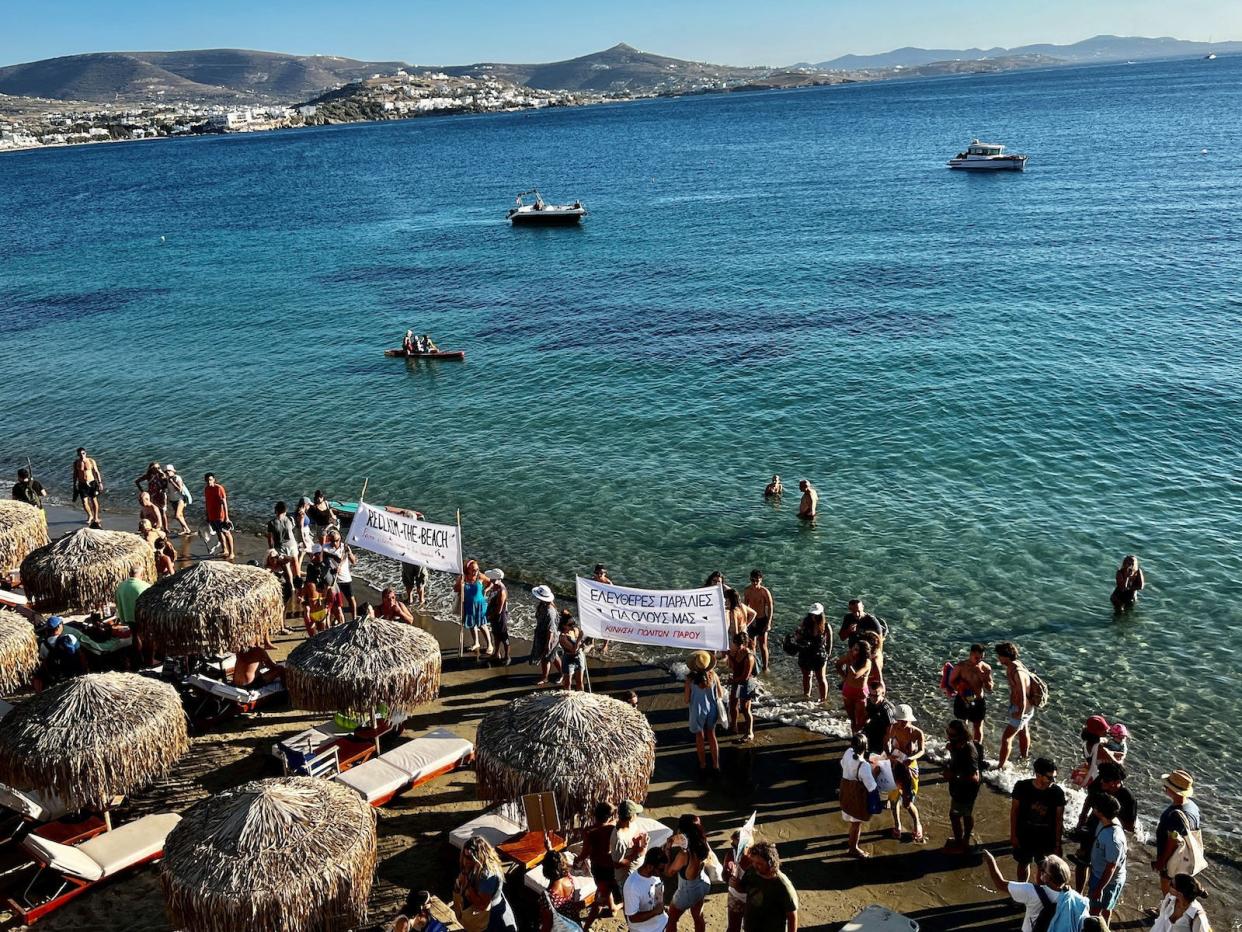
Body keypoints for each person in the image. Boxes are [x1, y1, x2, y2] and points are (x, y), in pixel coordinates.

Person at [1072, 762, 1137, 892]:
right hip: (1092, 826)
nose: (1102, 781)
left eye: (1106, 780)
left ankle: (1096, 891)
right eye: (1102, 778)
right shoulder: (1100, 781)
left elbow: (1130, 826)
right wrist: (1082, 818)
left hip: (1109, 833)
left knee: (1100, 865)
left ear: (1117, 782)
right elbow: (1089, 799)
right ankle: (1079, 893)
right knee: (1082, 861)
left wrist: (1109, 819)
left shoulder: (1128, 798)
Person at [981, 850, 1077, 932]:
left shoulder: (1032, 891)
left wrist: (990, 860)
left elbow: (1000, 884)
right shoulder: (1075, 898)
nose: (1040, 870)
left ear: (1047, 877)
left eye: (1043, 870)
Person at [1011, 758, 1066, 882]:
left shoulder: (1057, 793)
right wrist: (1013, 834)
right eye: (1049, 778)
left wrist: (1058, 844)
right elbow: (1014, 812)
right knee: (1023, 863)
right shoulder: (1022, 787)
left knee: (1044, 867)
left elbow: (1059, 819)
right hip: (1025, 833)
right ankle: (1022, 889)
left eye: (1055, 777)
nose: (1053, 781)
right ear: (1038, 775)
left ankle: (1039, 893)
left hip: (1046, 838)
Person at [1153, 770, 1202, 896]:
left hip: (1174, 858)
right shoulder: (1192, 806)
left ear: (1172, 790)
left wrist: (1161, 862)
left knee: (1168, 887)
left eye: (1166, 786)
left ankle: (1166, 911)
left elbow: (1172, 841)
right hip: (1186, 858)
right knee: (1180, 885)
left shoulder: (1175, 815)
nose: (1164, 788)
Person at [455, 835, 517, 932]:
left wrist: (468, 884)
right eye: (465, 856)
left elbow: (482, 905)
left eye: (469, 858)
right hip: (481, 918)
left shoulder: (488, 875)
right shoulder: (473, 866)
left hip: (494, 919)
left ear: (479, 857)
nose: (465, 861)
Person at [736, 841, 798, 932]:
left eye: (759, 864)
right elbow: (744, 889)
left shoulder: (783, 885)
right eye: (753, 862)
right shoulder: (752, 871)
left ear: (771, 863)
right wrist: (735, 884)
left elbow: (792, 915)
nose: (755, 866)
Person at [885, 704, 925, 843]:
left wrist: (911, 758)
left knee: (908, 802)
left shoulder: (917, 732)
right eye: (899, 720)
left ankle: (917, 823)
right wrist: (889, 754)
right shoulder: (892, 728)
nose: (902, 723)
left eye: (904, 721)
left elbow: (922, 750)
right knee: (894, 798)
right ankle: (897, 825)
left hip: (909, 766)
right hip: (895, 765)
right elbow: (886, 742)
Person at [664, 814, 710, 932]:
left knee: (671, 920)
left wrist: (668, 851)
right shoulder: (703, 842)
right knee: (698, 915)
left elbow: (669, 872)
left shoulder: (684, 855)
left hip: (687, 892)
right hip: (703, 884)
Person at [1087, 794, 1127, 923]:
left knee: (1098, 910)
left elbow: (1111, 867)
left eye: (1095, 807)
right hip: (1098, 874)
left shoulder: (1113, 839)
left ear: (1099, 811)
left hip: (1108, 881)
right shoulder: (1106, 822)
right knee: (1096, 907)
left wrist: (1099, 889)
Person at [944, 718, 982, 853]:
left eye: (952, 734)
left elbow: (975, 777)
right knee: (966, 813)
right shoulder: (956, 744)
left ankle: (960, 842)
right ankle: (964, 839)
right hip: (958, 786)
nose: (949, 736)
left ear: (961, 734)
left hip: (966, 789)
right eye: (948, 732)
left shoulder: (969, 751)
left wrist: (953, 776)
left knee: (955, 815)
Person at [996, 641, 1034, 770]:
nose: (998, 658)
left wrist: (1020, 713)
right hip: (1026, 708)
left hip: (1022, 709)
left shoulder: (1017, 671)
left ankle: (1000, 768)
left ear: (1005, 656)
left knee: (1006, 738)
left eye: (999, 655)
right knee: (1023, 731)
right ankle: (1024, 758)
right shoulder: (1016, 666)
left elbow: (1022, 694)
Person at [839, 732, 877, 858]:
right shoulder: (864, 765)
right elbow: (871, 786)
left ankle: (851, 840)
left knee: (851, 819)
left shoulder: (848, 752)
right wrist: (876, 772)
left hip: (845, 790)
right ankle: (853, 848)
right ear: (865, 748)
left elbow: (842, 764)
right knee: (856, 824)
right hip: (856, 795)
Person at [685, 651, 723, 776]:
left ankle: (702, 764)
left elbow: (686, 700)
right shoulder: (713, 675)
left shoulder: (690, 679)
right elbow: (720, 694)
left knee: (700, 737)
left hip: (697, 710)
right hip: (711, 709)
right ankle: (716, 764)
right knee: (712, 735)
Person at [582, 801, 619, 928]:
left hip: (598, 868)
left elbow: (584, 853)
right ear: (609, 817)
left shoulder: (589, 831)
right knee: (606, 890)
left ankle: (586, 926)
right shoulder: (613, 827)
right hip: (611, 867)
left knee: (599, 900)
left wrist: (577, 861)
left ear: (594, 814)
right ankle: (613, 908)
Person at [949, 643, 994, 743]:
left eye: (981, 658)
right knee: (962, 726)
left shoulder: (986, 668)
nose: (979, 660)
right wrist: (960, 688)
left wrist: (982, 676)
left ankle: (978, 749)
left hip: (978, 700)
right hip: (963, 699)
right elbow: (951, 681)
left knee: (978, 726)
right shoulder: (961, 666)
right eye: (977, 657)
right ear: (971, 654)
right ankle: (963, 746)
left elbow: (990, 688)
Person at [839, 600, 885, 688]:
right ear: (850, 609)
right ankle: (846, 680)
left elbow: (880, 639)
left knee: (872, 669)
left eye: (858, 611)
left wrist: (877, 654)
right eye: (853, 611)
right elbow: (842, 637)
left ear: (863, 608)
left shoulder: (871, 620)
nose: (857, 614)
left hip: (868, 650)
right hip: (854, 650)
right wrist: (848, 631)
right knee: (841, 665)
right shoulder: (848, 618)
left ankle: (877, 686)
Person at [611, 800, 651, 894]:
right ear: (631, 817)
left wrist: (641, 840)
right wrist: (638, 853)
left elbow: (634, 835)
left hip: (637, 871)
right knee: (630, 902)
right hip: (627, 878)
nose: (637, 815)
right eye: (636, 813)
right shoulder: (619, 839)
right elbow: (617, 864)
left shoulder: (630, 824)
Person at [623, 847, 668, 932]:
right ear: (650, 867)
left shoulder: (655, 876)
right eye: (661, 869)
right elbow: (633, 918)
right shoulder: (632, 886)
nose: (663, 872)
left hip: (662, 922)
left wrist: (661, 908)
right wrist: (655, 912)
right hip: (645, 929)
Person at [792, 604, 831, 702]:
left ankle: (823, 700)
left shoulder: (826, 626)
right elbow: (797, 635)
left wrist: (827, 655)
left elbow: (829, 643)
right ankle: (806, 696)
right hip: (806, 652)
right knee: (807, 676)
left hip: (819, 654)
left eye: (816, 614)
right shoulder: (805, 623)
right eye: (812, 614)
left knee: (821, 678)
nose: (814, 616)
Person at [834, 640, 873, 732]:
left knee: (860, 719)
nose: (852, 651)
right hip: (847, 690)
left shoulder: (867, 662)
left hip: (860, 692)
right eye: (853, 648)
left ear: (862, 652)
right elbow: (838, 664)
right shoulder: (850, 657)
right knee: (852, 718)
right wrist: (844, 677)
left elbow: (856, 675)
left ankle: (861, 737)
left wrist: (850, 663)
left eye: (856, 649)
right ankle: (854, 738)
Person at [540, 850, 584, 931]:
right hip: (574, 925)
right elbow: (557, 862)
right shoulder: (571, 880)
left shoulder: (548, 896)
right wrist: (550, 849)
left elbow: (547, 924)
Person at [456, 560, 491, 656]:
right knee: (472, 624)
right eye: (473, 569)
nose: (476, 571)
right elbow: (455, 589)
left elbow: (490, 582)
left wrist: (486, 591)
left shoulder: (480, 576)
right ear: (468, 570)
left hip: (480, 605)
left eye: (477, 569)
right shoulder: (463, 577)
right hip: (468, 604)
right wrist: (460, 583)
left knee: (482, 625)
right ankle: (476, 642)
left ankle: (490, 645)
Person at [742, 570, 774, 673]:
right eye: (752, 580)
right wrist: (746, 621)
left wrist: (768, 623)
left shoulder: (764, 592)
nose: (754, 583)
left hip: (762, 619)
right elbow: (745, 607)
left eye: (757, 581)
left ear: (761, 580)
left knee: (763, 645)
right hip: (752, 620)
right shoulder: (747, 591)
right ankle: (754, 666)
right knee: (751, 645)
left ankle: (765, 667)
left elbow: (770, 607)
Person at [728, 632, 757, 742]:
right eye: (734, 643)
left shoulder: (749, 657)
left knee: (745, 708)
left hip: (745, 684)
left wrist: (733, 680)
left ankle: (749, 732)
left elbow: (745, 676)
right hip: (736, 682)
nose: (735, 645)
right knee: (733, 703)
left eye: (737, 644)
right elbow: (732, 667)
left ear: (744, 644)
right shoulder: (734, 652)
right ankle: (734, 725)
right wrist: (729, 656)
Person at [321, 529, 357, 618]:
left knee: (351, 599)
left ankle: (354, 618)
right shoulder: (326, 547)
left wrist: (348, 552)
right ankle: (331, 619)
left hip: (345, 579)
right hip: (334, 579)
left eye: (337, 541)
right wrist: (334, 559)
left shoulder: (344, 547)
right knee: (332, 601)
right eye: (332, 541)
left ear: (340, 539)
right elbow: (324, 559)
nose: (334, 543)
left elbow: (353, 562)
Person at [530, 585, 560, 685]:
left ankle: (545, 677)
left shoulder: (550, 611)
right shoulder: (543, 605)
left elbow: (551, 629)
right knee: (553, 656)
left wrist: (548, 643)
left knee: (546, 658)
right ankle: (562, 672)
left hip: (549, 637)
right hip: (542, 634)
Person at [267, 501, 300, 589]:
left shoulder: (272, 523)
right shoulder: (290, 519)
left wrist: (272, 549)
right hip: (292, 544)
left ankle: (291, 586)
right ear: (285, 511)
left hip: (281, 547)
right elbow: (292, 530)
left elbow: (270, 538)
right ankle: (299, 582)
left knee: (286, 567)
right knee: (295, 563)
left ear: (275, 510)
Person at [203, 473, 235, 560]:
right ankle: (225, 550)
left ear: (214, 479)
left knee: (226, 533)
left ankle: (231, 552)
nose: (209, 482)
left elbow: (224, 503)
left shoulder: (218, 488)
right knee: (218, 533)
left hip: (220, 516)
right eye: (207, 480)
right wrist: (207, 514)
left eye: (210, 480)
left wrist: (227, 517)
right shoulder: (206, 489)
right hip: (212, 515)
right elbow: (207, 502)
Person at [483, 569, 511, 666]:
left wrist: (490, 616)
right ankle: (496, 653)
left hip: (500, 617)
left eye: (492, 578)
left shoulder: (501, 591)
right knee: (496, 635)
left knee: (504, 637)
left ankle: (507, 656)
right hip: (494, 616)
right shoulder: (495, 586)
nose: (490, 579)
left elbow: (499, 609)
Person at [862, 684, 895, 762]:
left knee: (881, 757)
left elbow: (891, 728)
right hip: (872, 730)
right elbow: (867, 715)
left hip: (883, 734)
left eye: (876, 695)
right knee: (871, 754)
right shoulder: (869, 701)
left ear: (882, 694)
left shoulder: (887, 708)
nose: (873, 698)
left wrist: (886, 742)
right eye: (871, 695)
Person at [72, 447, 104, 528]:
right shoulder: (76, 463)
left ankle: (96, 517)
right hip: (82, 484)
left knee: (94, 500)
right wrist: (74, 484)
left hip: (92, 483)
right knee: (84, 502)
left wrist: (100, 483)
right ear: (78, 454)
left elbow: (96, 472)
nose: (82, 455)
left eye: (83, 453)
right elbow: (75, 474)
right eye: (80, 454)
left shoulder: (91, 461)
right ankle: (90, 516)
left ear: (85, 453)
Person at [559, 611, 585, 690]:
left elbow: (582, 644)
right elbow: (573, 650)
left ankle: (581, 697)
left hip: (579, 656)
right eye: (570, 625)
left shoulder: (575, 630)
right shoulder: (562, 637)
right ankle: (568, 698)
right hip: (568, 658)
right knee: (568, 683)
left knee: (580, 681)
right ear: (564, 626)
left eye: (573, 623)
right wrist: (579, 639)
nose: (572, 626)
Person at [163, 466, 193, 534]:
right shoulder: (167, 479)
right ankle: (184, 529)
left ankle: (187, 529)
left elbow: (180, 489)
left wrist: (172, 482)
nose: (168, 472)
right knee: (180, 515)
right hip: (173, 499)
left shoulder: (177, 478)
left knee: (177, 515)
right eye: (166, 471)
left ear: (173, 471)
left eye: (169, 471)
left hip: (180, 499)